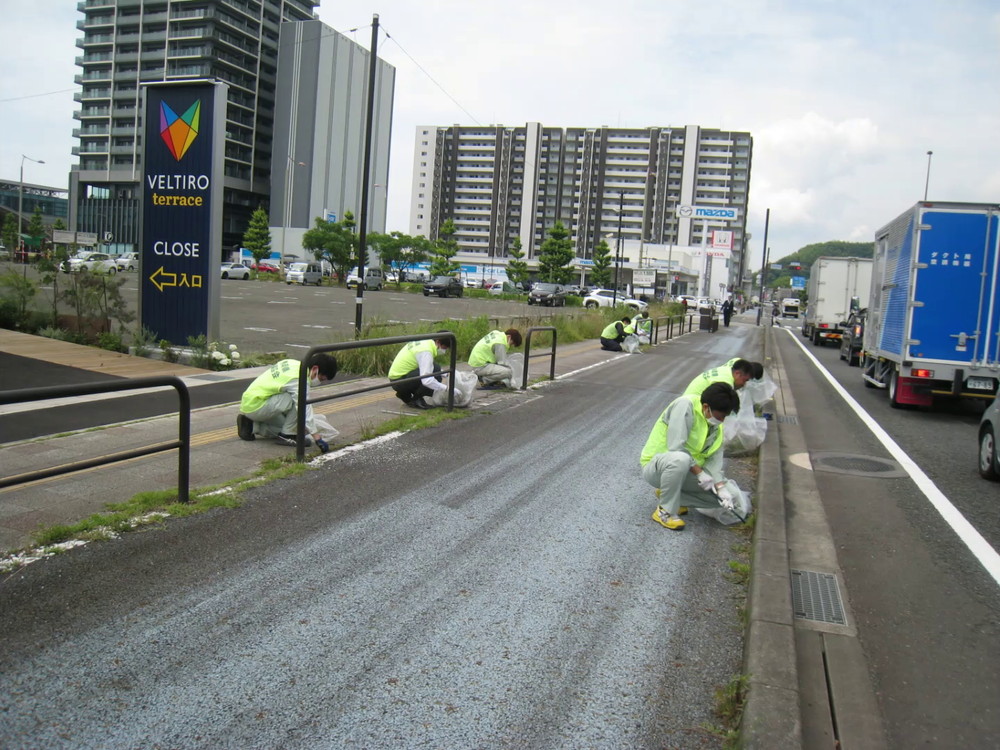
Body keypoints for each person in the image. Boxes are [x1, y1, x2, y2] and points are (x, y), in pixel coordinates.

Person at [640, 382, 741, 530]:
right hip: (659, 467)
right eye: (721, 416)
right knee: (681, 459)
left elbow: (715, 460)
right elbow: (676, 446)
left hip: (686, 471)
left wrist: (720, 487)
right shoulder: (685, 405)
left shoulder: (717, 426)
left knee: (732, 496)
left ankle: (672, 496)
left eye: (725, 416)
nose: (722, 420)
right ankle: (665, 511)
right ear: (706, 407)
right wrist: (699, 473)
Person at [236, 353, 338, 451]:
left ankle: (251, 426)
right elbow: (304, 407)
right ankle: (287, 435)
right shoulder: (299, 378)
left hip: (251, 403)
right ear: (315, 369)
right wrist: (316, 436)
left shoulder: (293, 363)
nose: (319, 382)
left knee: (290, 426)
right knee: (297, 401)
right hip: (257, 405)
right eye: (321, 378)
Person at [388, 333, 452, 409]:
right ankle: (417, 399)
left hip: (396, 379)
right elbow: (427, 380)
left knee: (436, 368)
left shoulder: (425, 341)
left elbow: (427, 364)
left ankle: (404, 394)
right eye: (444, 348)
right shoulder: (426, 351)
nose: (444, 351)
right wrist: (447, 389)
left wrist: (446, 374)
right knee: (436, 375)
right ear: (438, 342)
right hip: (399, 381)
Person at [683, 358, 756, 396]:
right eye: (744, 380)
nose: (744, 384)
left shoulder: (726, 370)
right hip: (693, 405)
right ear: (737, 373)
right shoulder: (725, 383)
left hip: (688, 399)